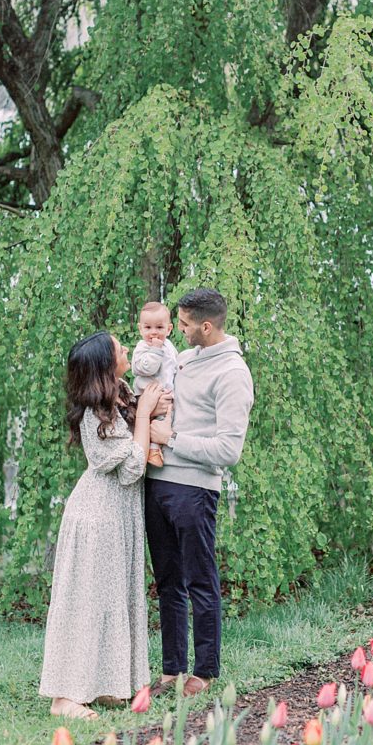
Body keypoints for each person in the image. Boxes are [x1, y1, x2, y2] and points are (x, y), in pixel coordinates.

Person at [39, 330, 167, 719]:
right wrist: (144, 415)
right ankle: (65, 696)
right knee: (89, 603)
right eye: (119, 348)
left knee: (114, 598)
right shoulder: (95, 412)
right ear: (104, 364)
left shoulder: (119, 394)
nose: (127, 348)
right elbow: (131, 469)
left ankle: (108, 683)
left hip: (118, 514)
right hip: (98, 515)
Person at [146, 288, 254, 697]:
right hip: (157, 484)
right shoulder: (185, 360)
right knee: (168, 581)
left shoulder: (233, 374)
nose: (180, 329)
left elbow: (229, 450)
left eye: (187, 325)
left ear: (207, 327)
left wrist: (170, 438)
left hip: (194, 490)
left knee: (199, 581)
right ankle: (171, 669)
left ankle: (205, 671)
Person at [131, 301, 178, 468]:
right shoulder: (142, 347)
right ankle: (152, 450)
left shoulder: (169, 346)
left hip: (164, 391)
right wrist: (155, 351)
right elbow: (144, 368)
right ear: (140, 328)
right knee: (154, 420)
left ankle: (159, 448)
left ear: (169, 329)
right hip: (147, 393)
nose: (153, 333)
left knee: (167, 419)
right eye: (148, 327)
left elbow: (173, 365)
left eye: (159, 328)